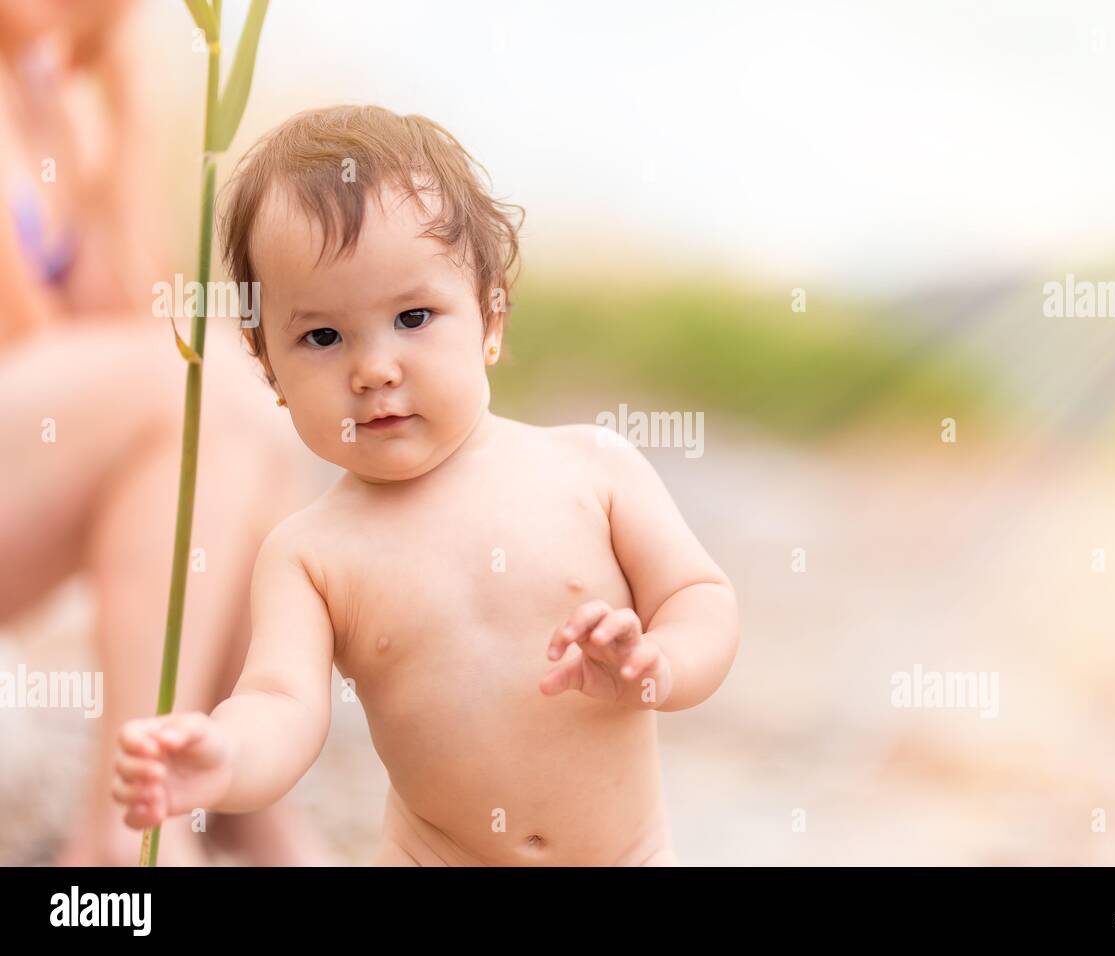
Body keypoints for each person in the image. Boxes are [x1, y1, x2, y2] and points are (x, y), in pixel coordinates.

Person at [110, 104, 740, 865]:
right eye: (321, 336)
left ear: (491, 316)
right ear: (267, 364)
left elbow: (700, 599)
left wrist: (659, 665)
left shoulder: (592, 468)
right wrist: (224, 759)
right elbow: (280, 704)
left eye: (413, 316)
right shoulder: (309, 554)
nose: (374, 368)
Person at [0, 0, 328, 865]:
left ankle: (230, 801)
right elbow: (36, 339)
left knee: (228, 392)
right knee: (202, 383)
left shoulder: (54, 98)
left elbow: (136, 315)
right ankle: (129, 828)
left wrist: (128, 111)